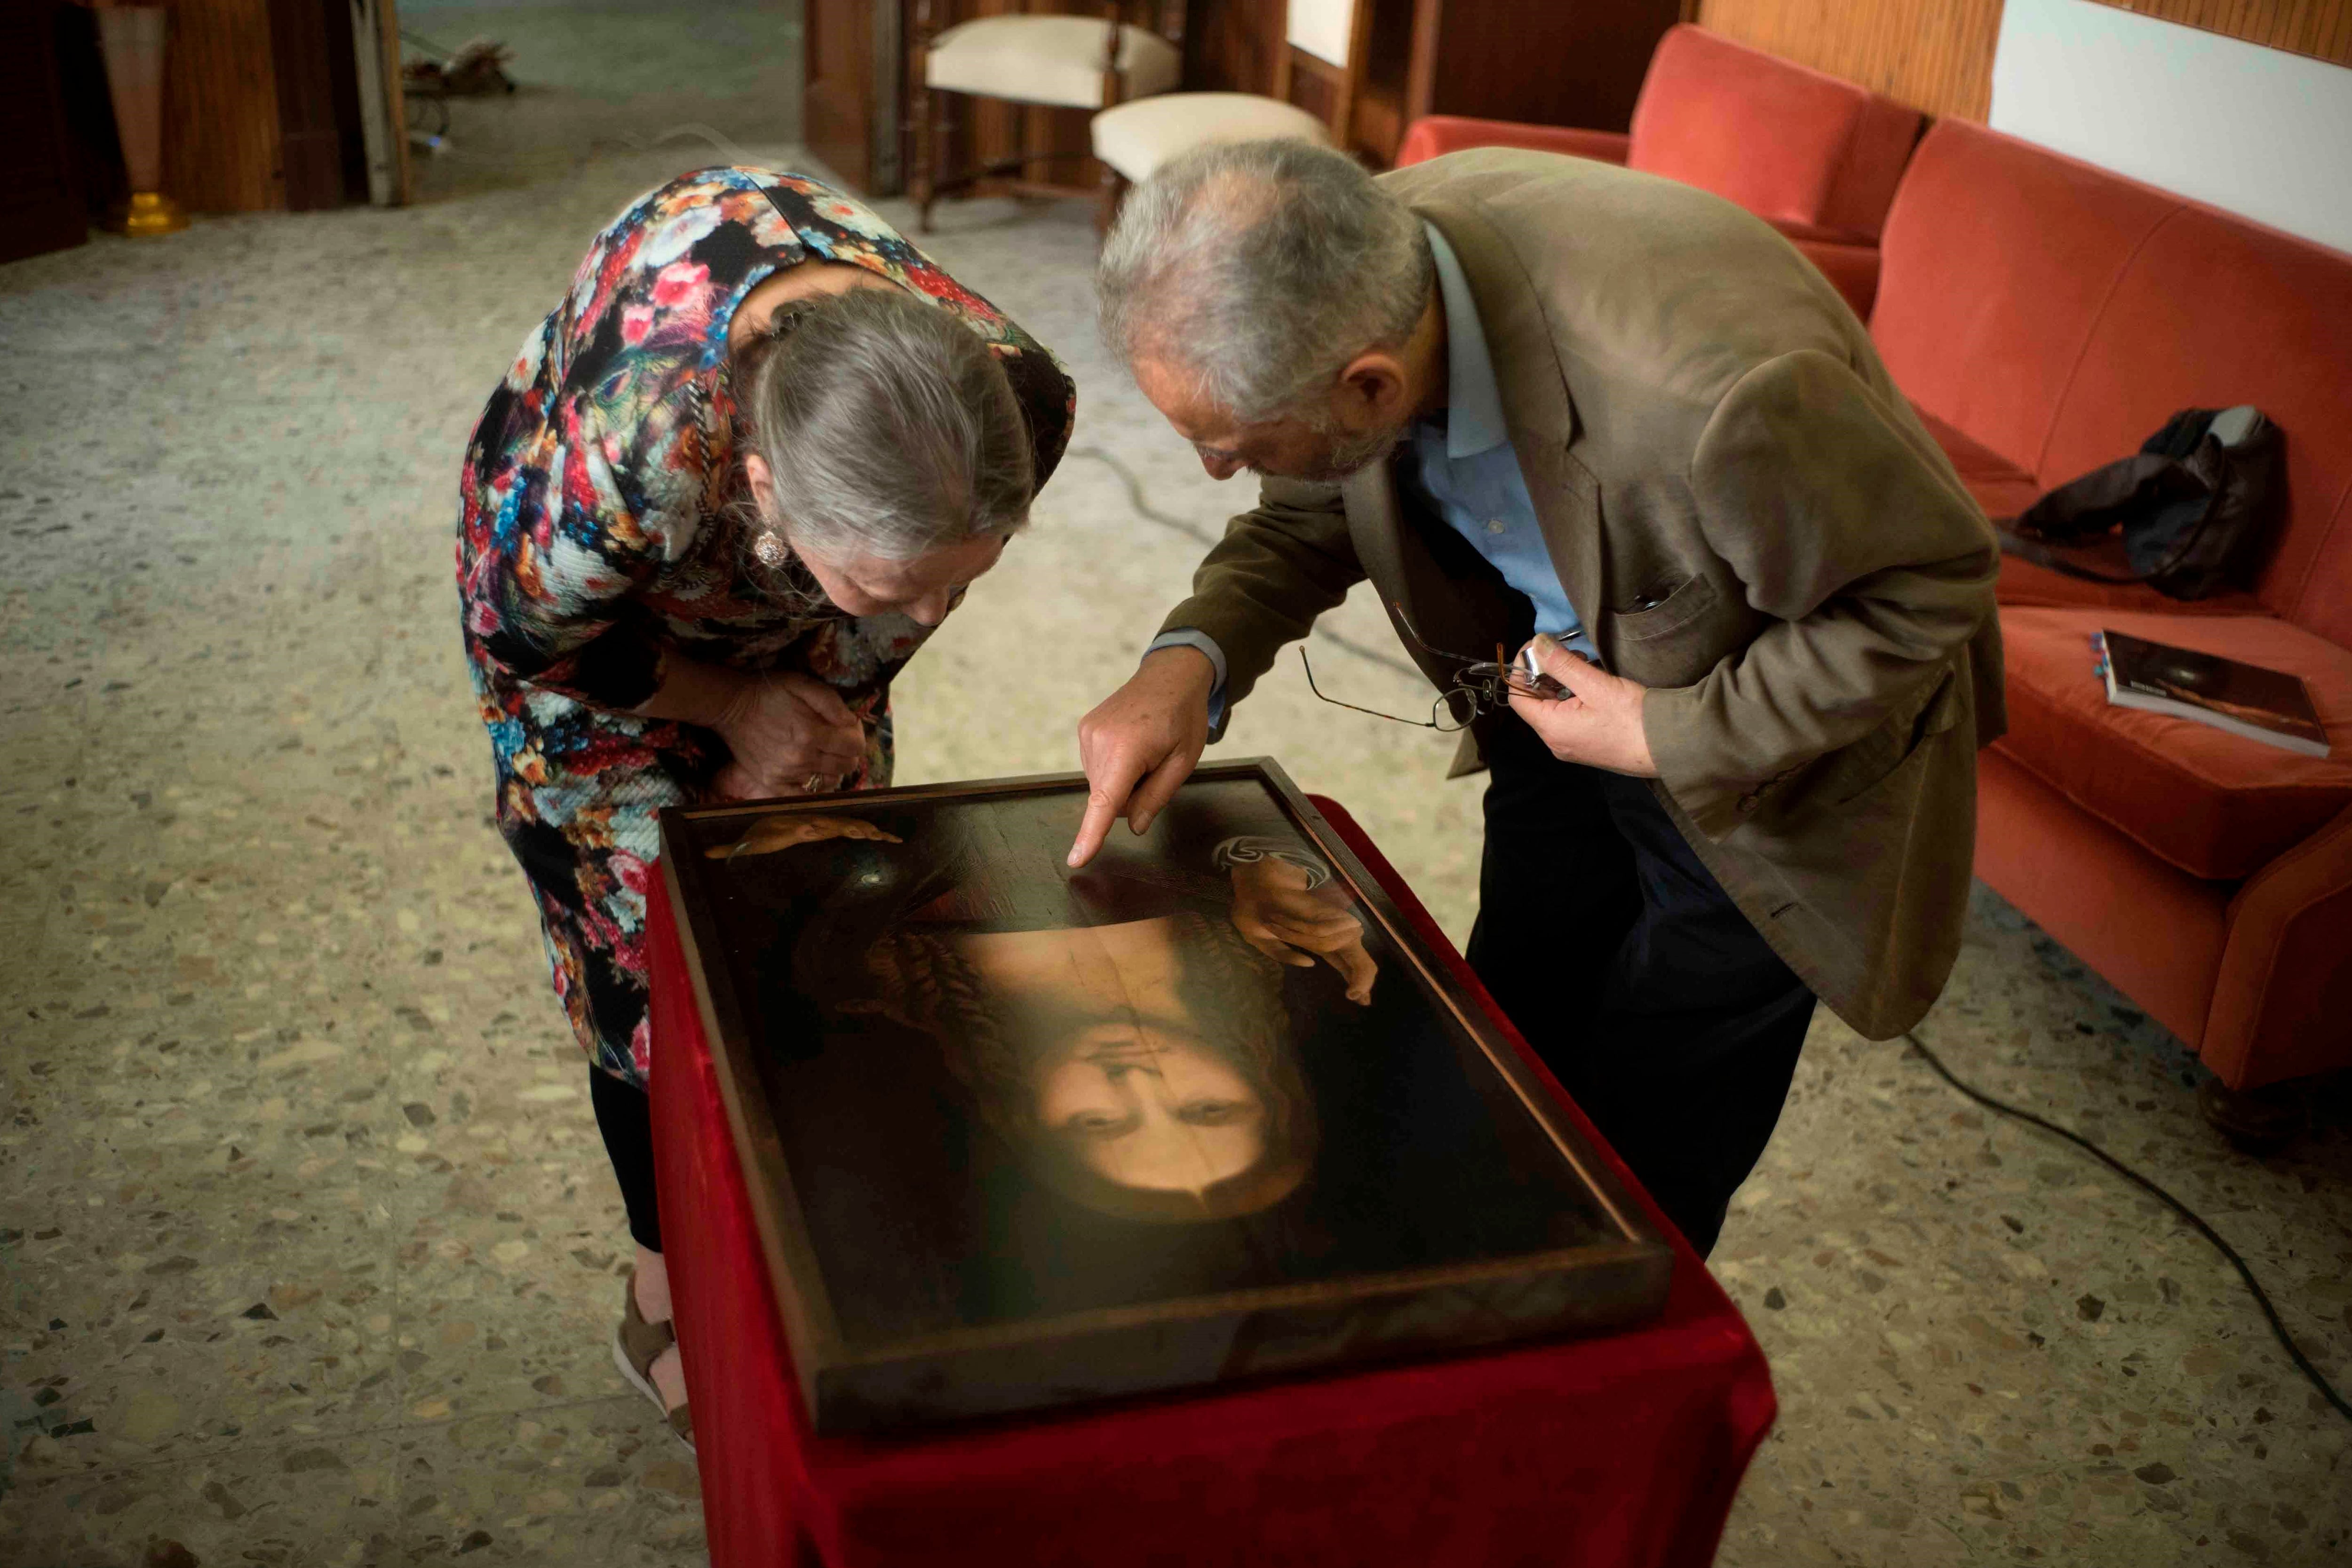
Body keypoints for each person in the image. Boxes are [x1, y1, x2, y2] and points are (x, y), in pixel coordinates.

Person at [1070, 140, 2004, 1257]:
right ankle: (1489, 1266)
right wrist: (1190, 659)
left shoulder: (1711, 392)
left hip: (1761, 767)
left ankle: (1603, 1334)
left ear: (1372, 384)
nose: (1217, 474)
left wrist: (1666, 731)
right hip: (1555, 697)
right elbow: (1311, 503)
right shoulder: (1357, 265)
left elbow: (1925, 585)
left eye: (1225, 447)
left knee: (1654, 1116)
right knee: (1512, 1012)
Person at [455, 166, 1074, 1446]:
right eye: (890, 585)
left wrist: (816, 702)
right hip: (583, 634)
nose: (933, 620)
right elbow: (525, 631)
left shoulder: (1013, 398)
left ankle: (807, 1242)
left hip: (825, 533)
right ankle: (659, 1291)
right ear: (764, 491)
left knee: (821, 885)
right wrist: (724, 705)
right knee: (643, 958)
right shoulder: (635, 454)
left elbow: (896, 597)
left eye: (957, 588)